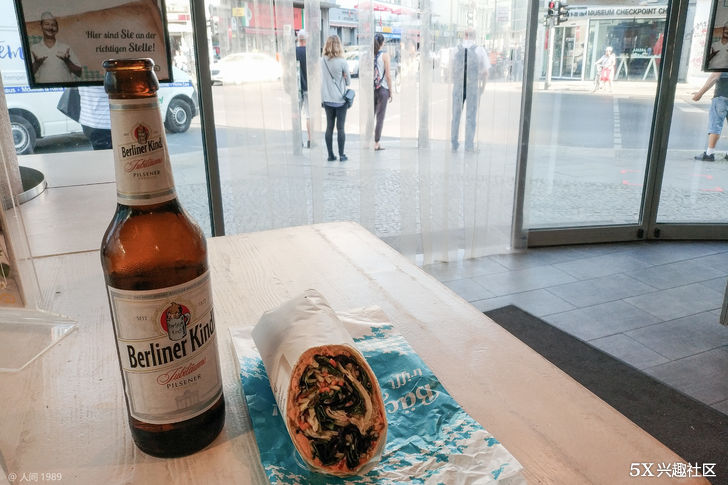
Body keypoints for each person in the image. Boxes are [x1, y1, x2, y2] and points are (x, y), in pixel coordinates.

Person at [450, 29, 489, 152]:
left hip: (458, 86)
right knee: (470, 116)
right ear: (474, 36)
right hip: (472, 87)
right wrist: (482, 88)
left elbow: (451, 70)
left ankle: (454, 142)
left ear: (464, 36)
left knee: (456, 115)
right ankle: (469, 145)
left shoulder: (455, 50)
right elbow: (485, 72)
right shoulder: (480, 50)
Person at [321, 35, 350, 162]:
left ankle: (330, 155)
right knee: (340, 128)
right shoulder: (342, 62)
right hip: (340, 101)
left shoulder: (322, 61)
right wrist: (343, 76)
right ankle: (342, 155)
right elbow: (348, 82)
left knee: (329, 127)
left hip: (327, 99)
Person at [30, 12, 82, 84]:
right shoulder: (34, 48)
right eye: (47, 24)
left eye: (53, 25)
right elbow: (29, 75)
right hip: (44, 89)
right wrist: (37, 63)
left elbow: (79, 73)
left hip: (65, 88)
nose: (50, 28)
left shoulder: (66, 47)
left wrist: (67, 61)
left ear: (57, 29)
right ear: (41, 26)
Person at [693, 72, 728, 161]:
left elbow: (714, 76)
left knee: (715, 125)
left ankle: (709, 154)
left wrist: (699, 94)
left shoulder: (722, 62)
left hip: (722, 97)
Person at [373, 33, 393, 151]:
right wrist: (391, 91)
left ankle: (366, 140)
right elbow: (388, 76)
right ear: (382, 43)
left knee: (370, 116)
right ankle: (376, 143)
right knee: (380, 117)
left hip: (372, 89)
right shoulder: (385, 56)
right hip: (382, 89)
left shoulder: (369, 55)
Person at [296, 30, 311, 148]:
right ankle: (310, 140)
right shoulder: (310, 52)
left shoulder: (293, 52)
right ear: (306, 40)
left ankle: (298, 140)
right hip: (309, 88)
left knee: (297, 115)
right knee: (309, 115)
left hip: (297, 88)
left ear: (298, 39)